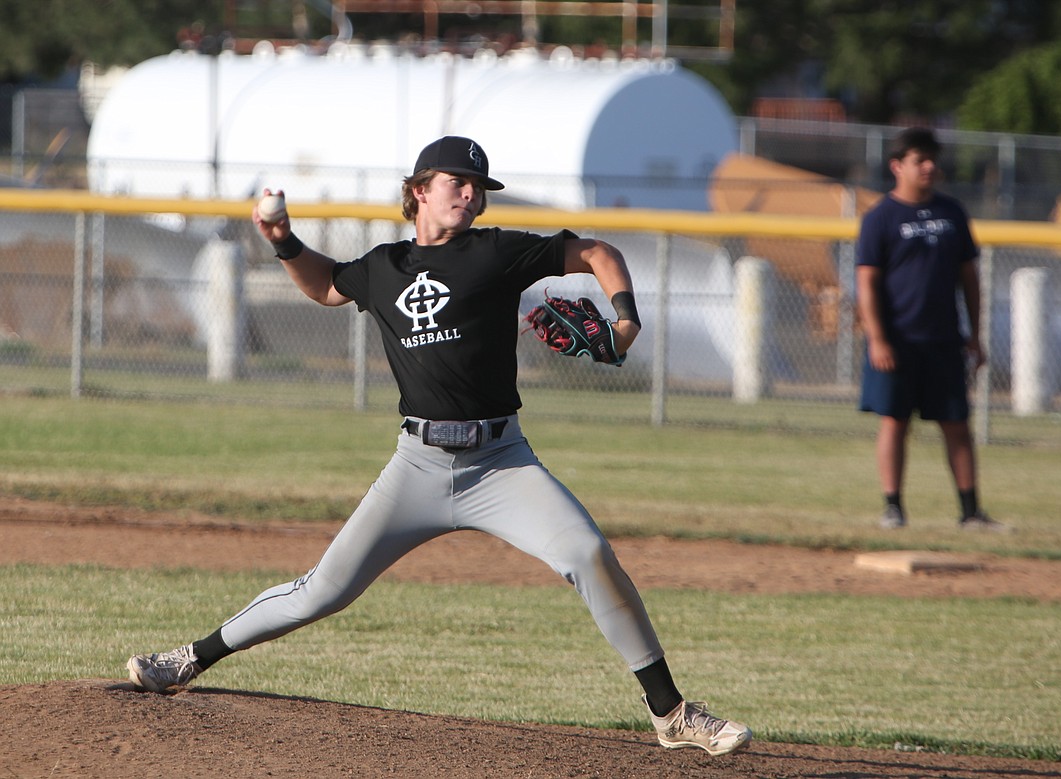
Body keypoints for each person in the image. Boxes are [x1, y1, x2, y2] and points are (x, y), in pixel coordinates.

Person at [126, 135, 752, 756]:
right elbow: (325, 286)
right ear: (420, 190)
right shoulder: (382, 267)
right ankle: (187, 659)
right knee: (322, 591)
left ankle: (670, 713)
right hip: (417, 465)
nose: (472, 193)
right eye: (458, 182)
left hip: (501, 463)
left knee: (588, 554)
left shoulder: (497, 253)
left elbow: (596, 251)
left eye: (478, 186)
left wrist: (625, 320)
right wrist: (284, 241)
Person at [855, 127, 1007, 532]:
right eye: (919, 160)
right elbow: (866, 282)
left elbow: (969, 279)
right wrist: (878, 338)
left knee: (957, 424)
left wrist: (974, 334)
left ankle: (971, 512)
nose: (929, 167)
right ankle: (893, 507)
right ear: (896, 166)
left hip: (943, 339)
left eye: (932, 160)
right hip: (899, 341)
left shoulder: (952, 213)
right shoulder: (880, 218)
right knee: (894, 421)